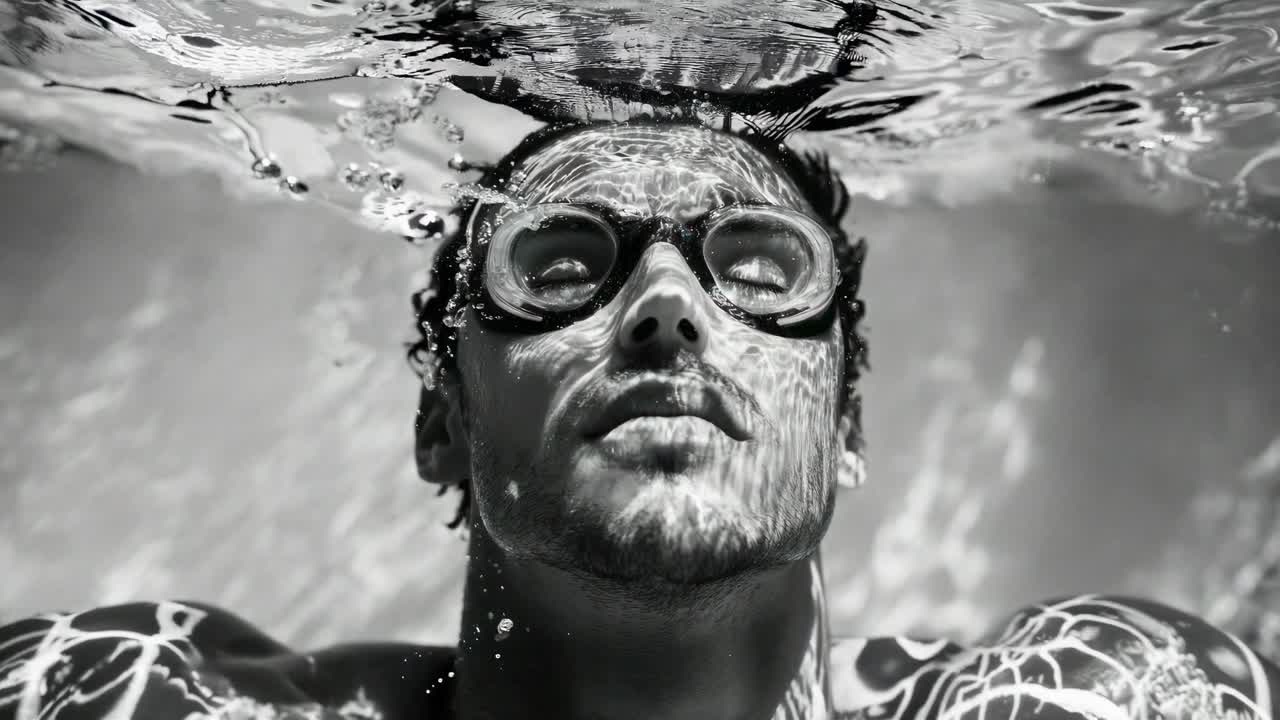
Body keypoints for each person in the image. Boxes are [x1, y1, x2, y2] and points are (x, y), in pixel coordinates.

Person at [1, 121, 1277, 720]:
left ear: (843, 422)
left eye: (759, 270)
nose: (667, 305)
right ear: (440, 422)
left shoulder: (1094, 699)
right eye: (560, 267)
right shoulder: (132, 703)